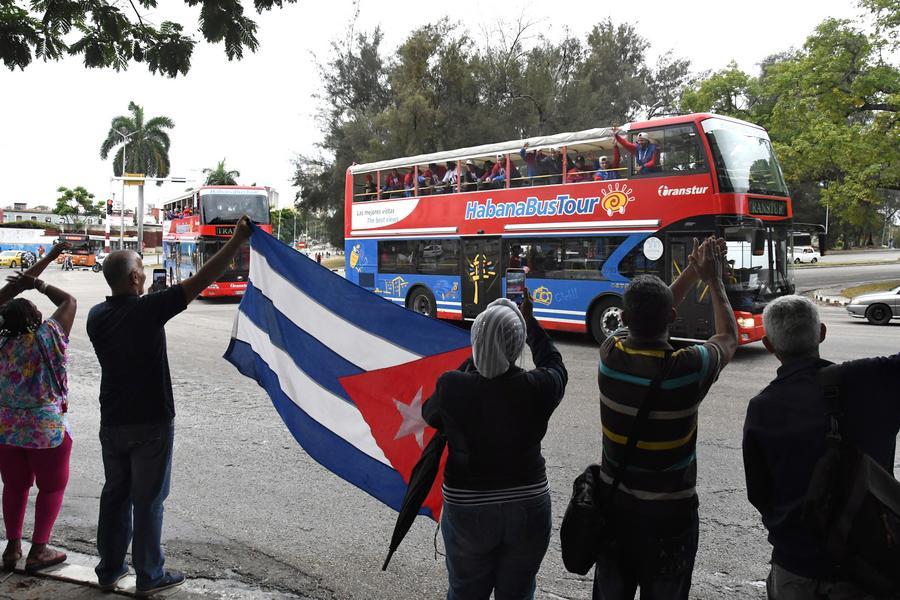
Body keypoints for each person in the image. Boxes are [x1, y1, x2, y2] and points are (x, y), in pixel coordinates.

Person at [87, 216, 253, 596]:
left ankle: (109, 569)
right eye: (141, 270)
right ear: (133, 280)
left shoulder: (97, 317)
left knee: (115, 496)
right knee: (147, 502)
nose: (145, 275)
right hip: (150, 423)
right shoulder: (147, 310)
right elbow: (203, 278)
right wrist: (238, 239)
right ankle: (150, 575)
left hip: (112, 422)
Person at [593, 236, 738, 600]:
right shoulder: (687, 369)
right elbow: (728, 337)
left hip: (617, 511)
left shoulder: (610, 355)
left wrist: (690, 272)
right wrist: (711, 279)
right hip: (671, 518)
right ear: (672, 318)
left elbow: (653, 312)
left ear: (623, 319)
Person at [742, 296, 900, 599]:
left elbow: (760, 494)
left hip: (795, 569)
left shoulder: (763, 407)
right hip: (869, 567)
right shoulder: (875, 379)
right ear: (822, 333)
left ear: (769, 346)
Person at [423, 293, 567, 600]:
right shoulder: (538, 387)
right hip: (529, 505)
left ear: (476, 343)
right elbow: (555, 364)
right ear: (517, 345)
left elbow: (430, 414)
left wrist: (479, 352)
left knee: (465, 593)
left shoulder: (451, 387)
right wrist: (529, 322)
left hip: (467, 509)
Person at [0, 243, 75, 574]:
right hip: (46, 430)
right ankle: (39, 550)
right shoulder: (48, 337)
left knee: (15, 487)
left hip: (6, 429)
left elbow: (5, 300)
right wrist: (39, 283)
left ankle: (12, 546)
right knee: (52, 487)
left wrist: (42, 263)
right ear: (36, 318)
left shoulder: (2, 342)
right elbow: (69, 302)